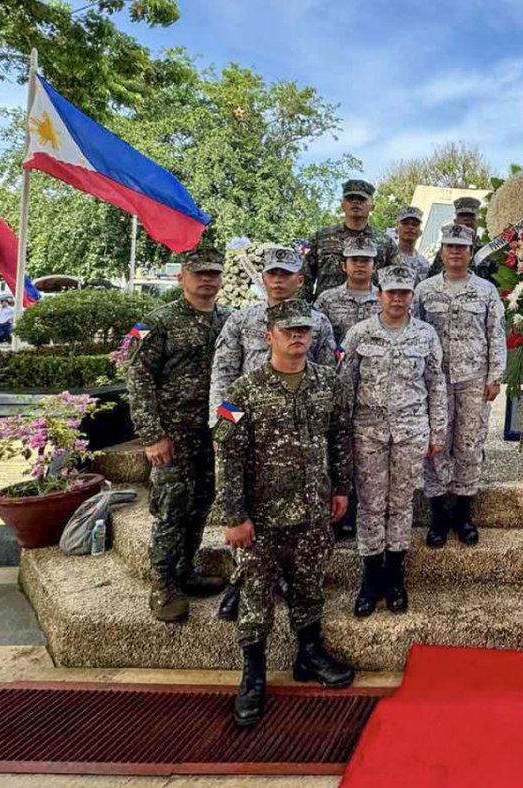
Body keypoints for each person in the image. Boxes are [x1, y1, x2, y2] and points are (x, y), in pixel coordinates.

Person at [214, 299, 355, 727]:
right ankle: (252, 673)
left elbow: (339, 437)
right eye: (289, 330)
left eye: (304, 331)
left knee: (309, 584)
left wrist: (342, 489)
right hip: (263, 516)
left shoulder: (329, 383)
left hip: (313, 510)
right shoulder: (240, 392)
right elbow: (226, 453)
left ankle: (309, 654)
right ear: (269, 335)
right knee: (256, 595)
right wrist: (233, 515)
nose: (298, 337)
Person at [210, 246, 337, 621]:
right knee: (252, 519)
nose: (279, 280)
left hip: (300, 439)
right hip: (252, 436)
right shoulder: (241, 319)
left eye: (287, 274)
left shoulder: (318, 322)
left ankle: (279, 584)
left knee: (296, 526)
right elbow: (223, 371)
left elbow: (329, 376)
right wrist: (220, 427)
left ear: (300, 278)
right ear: (263, 278)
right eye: (272, 274)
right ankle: (242, 582)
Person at [124, 244, 229, 623]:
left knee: (200, 504)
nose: (207, 280)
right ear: (181, 276)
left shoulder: (228, 321)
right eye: (199, 273)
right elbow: (137, 380)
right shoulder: (158, 323)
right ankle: (164, 584)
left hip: (213, 435)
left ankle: (187, 570)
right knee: (171, 510)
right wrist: (152, 435)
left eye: (213, 273)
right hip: (172, 437)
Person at [341, 265, 446, 616]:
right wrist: (342, 436)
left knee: (401, 503)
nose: (398, 298)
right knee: (370, 504)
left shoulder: (426, 335)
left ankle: (395, 576)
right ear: (379, 295)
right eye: (392, 292)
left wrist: (437, 432)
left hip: (410, 432)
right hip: (367, 433)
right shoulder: (359, 334)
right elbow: (345, 388)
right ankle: (370, 580)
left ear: (412, 297)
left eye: (404, 292)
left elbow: (436, 384)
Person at [413, 223, 506, 547]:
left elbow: (496, 334)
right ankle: (439, 514)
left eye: (461, 247)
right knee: (435, 445)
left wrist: (495, 376)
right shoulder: (424, 291)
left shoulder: (485, 291)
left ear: (470, 252)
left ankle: (463, 513)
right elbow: (414, 333)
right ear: (442, 251)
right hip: (435, 382)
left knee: (468, 445)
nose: (455, 252)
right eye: (450, 246)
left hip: (473, 381)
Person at [305, 179, 397, 299]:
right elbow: (304, 277)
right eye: (350, 198)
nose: (355, 202)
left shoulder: (385, 242)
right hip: (325, 311)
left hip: (371, 310)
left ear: (372, 206)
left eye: (362, 199)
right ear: (342, 204)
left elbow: (395, 280)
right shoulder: (322, 237)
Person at [314, 235, 383, 344]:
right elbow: (316, 337)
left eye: (366, 260)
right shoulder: (327, 299)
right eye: (354, 260)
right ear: (344, 266)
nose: (360, 265)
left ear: (374, 267)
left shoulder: (385, 300)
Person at [427, 196, 495, 282]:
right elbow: (432, 279)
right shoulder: (445, 250)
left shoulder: (487, 251)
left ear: (477, 221)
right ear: (455, 221)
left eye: (471, 215)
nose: (466, 219)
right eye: (462, 215)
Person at [394, 205, 431, 284]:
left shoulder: (424, 263)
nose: (410, 227)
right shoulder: (387, 257)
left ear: (420, 232)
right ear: (396, 229)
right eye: (405, 223)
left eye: (415, 224)